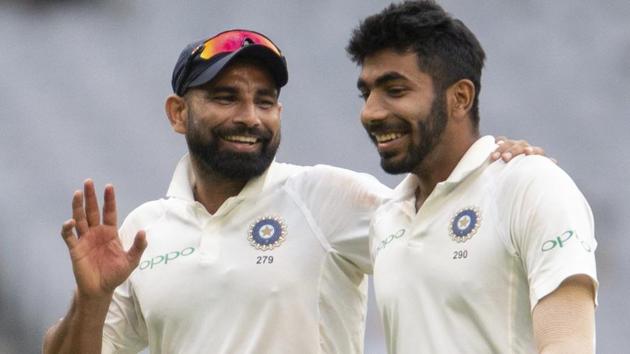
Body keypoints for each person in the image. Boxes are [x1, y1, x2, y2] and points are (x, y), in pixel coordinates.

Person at [43, 29, 542, 354]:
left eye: (266, 100)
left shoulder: (325, 195)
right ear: (178, 114)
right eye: (225, 98)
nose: (249, 117)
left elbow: (450, 224)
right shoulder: (143, 230)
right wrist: (92, 299)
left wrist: (493, 168)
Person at [346, 1, 598, 353]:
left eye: (395, 90)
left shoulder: (531, 185)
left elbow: (568, 345)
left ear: (460, 98)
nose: (370, 112)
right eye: (366, 92)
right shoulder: (387, 218)